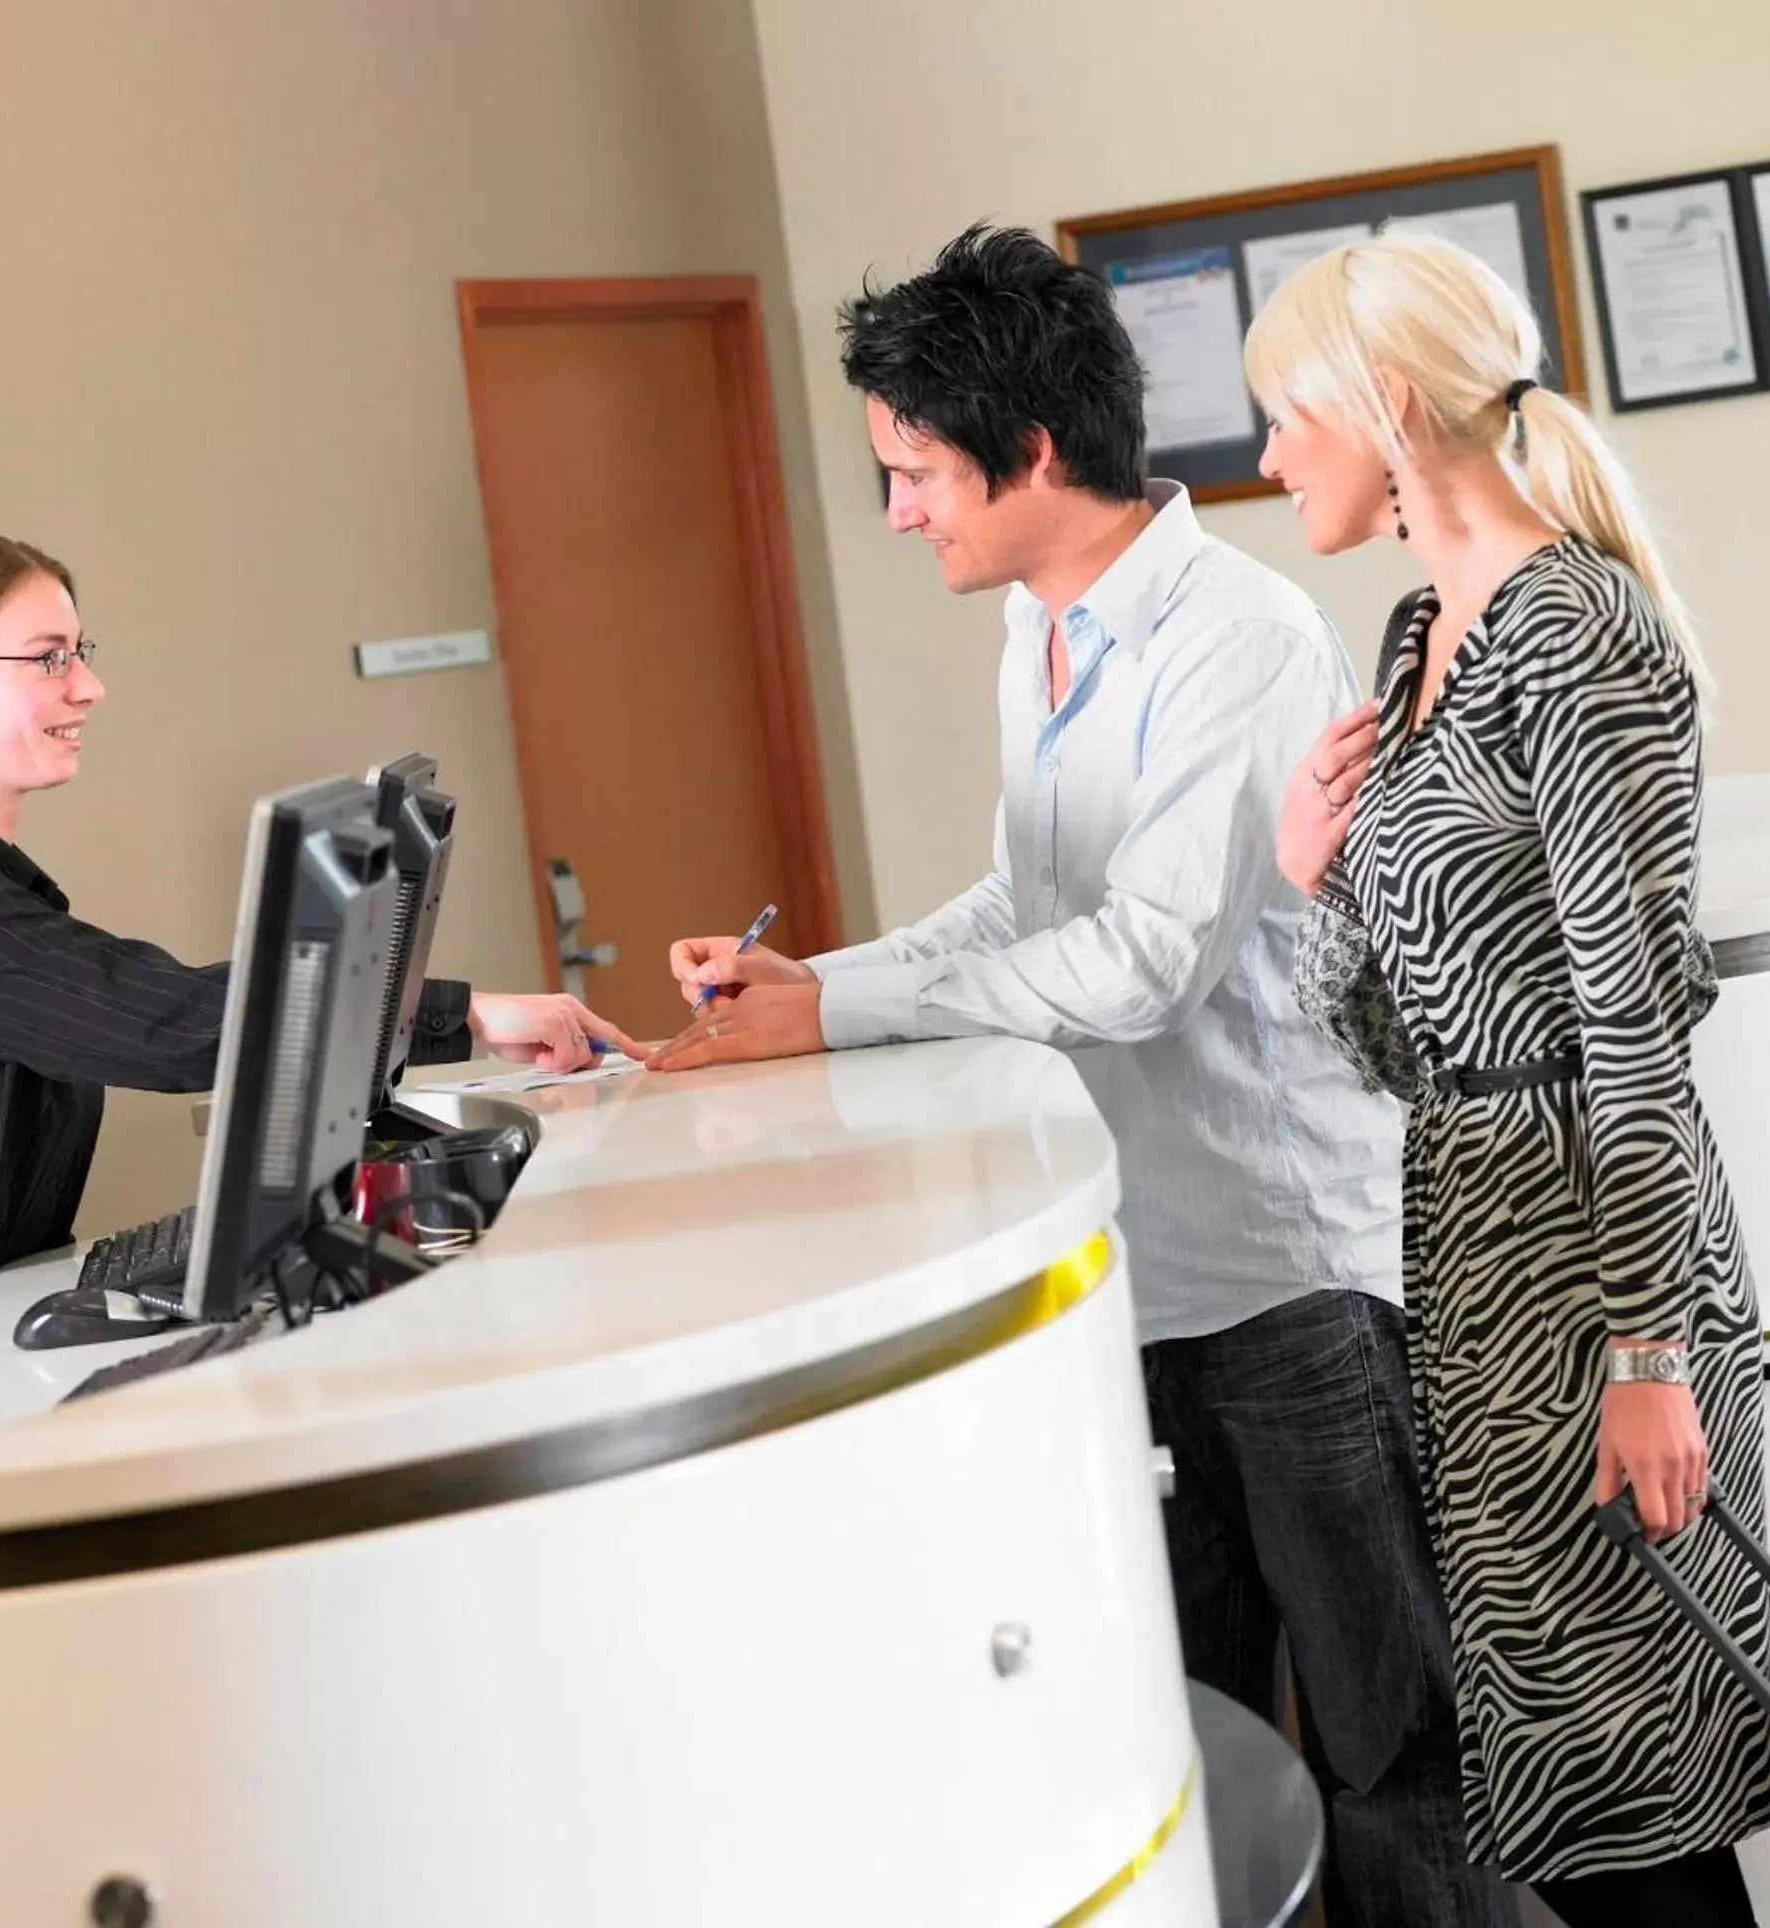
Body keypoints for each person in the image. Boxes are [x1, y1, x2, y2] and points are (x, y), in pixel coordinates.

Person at [651, 227, 1514, 1928]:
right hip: (1128, 1272)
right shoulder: (1037, 633)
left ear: (1031, 454)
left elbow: (1136, 958)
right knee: (1187, 1737)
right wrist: (814, 982)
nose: (898, 510)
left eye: (913, 471)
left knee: (1383, 1751)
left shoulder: (1239, 641)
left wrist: (836, 1024)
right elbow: (1025, 903)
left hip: (1283, 1279)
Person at [1253, 231, 1770, 1928]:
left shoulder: (1576, 633)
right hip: (1476, 1257)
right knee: (1567, 1807)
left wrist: (1646, 1352)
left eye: (1284, 421)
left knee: (1645, 1794)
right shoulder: (1420, 631)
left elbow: (1628, 1026)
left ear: (1384, 408)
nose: (1265, 464)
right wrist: (1314, 871)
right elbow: (1397, 1032)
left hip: (1596, 1269)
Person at [0, 530, 642, 1430]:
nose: (87, 686)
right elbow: (163, 1019)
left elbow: (147, 1002)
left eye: (80, 653)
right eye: (48, 659)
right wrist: (460, 1011)